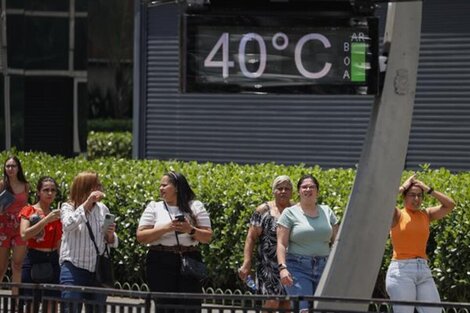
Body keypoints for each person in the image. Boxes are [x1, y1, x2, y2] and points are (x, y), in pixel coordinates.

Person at [136, 171, 212, 313]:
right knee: (164, 306)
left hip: (189, 259)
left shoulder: (195, 206)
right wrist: (167, 228)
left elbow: (207, 237)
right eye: (160, 186)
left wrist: (191, 230)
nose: (161, 189)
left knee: (190, 306)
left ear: (176, 187)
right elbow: (141, 237)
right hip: (160, 260)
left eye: (164, 185)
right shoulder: (154, 207)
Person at [386, 174, 455, 313]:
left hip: (423, 270)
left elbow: (450, 205)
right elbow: (385, 199)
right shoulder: (397, 215)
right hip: (401, 271)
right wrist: (404, 186)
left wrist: (428, 189)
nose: (416, 199)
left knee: (435, 311)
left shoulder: (426, 214)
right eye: (412, 195)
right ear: (404, 196)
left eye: (419, 195)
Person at [277, 174, 339, 312]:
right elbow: (281, 244)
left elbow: (337, 242)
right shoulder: (289, 213)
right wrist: (282, 268)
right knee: (303, 309)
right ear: (299, 191)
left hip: (324, 267)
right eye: (304, 187)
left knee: (324, 309)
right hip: (297, 268)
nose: (308, 189)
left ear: (317, 190)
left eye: (312, 187)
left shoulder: (327, 211)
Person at [59, 171, 118, 313]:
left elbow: (109, 240)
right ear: (85, 188)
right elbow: (68, 225)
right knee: (70, 309)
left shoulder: (103, 209)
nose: (100, 189)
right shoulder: (68, 207)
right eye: (96, 186)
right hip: (73, 267)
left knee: (98, 309)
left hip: (96, 269)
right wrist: (86, 204)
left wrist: (110, 235)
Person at [238, 175, 293, 310]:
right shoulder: (263, 210)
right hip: (268, 266)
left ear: (292, 192)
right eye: (279, 188)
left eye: (287, 188)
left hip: (290, 264)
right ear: (274, 191)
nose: (283, 191)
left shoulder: (296, 210)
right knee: (271, 303)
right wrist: (247, 262)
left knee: (287, 305)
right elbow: (251, 238)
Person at [19, 176, 62, 313]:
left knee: (51, 303)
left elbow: (59, 241)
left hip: (53, 259)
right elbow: (24, 234)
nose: (50, 193)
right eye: (46, 190)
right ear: (38, 192)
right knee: (32, 303)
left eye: (53, 190)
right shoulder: (29, 210)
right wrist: (46, 220)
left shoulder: (57, 214)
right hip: (33, 258)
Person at [0, 156, 29, 295]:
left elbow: (26, 206)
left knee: (17, 265)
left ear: (18, 168)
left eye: (13, 166)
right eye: (8, 166)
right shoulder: (1, 185)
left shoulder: (25, 185)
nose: (10, 169)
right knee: (1, 267)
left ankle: (15, 299)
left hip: (20, 227)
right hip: (3, 227)